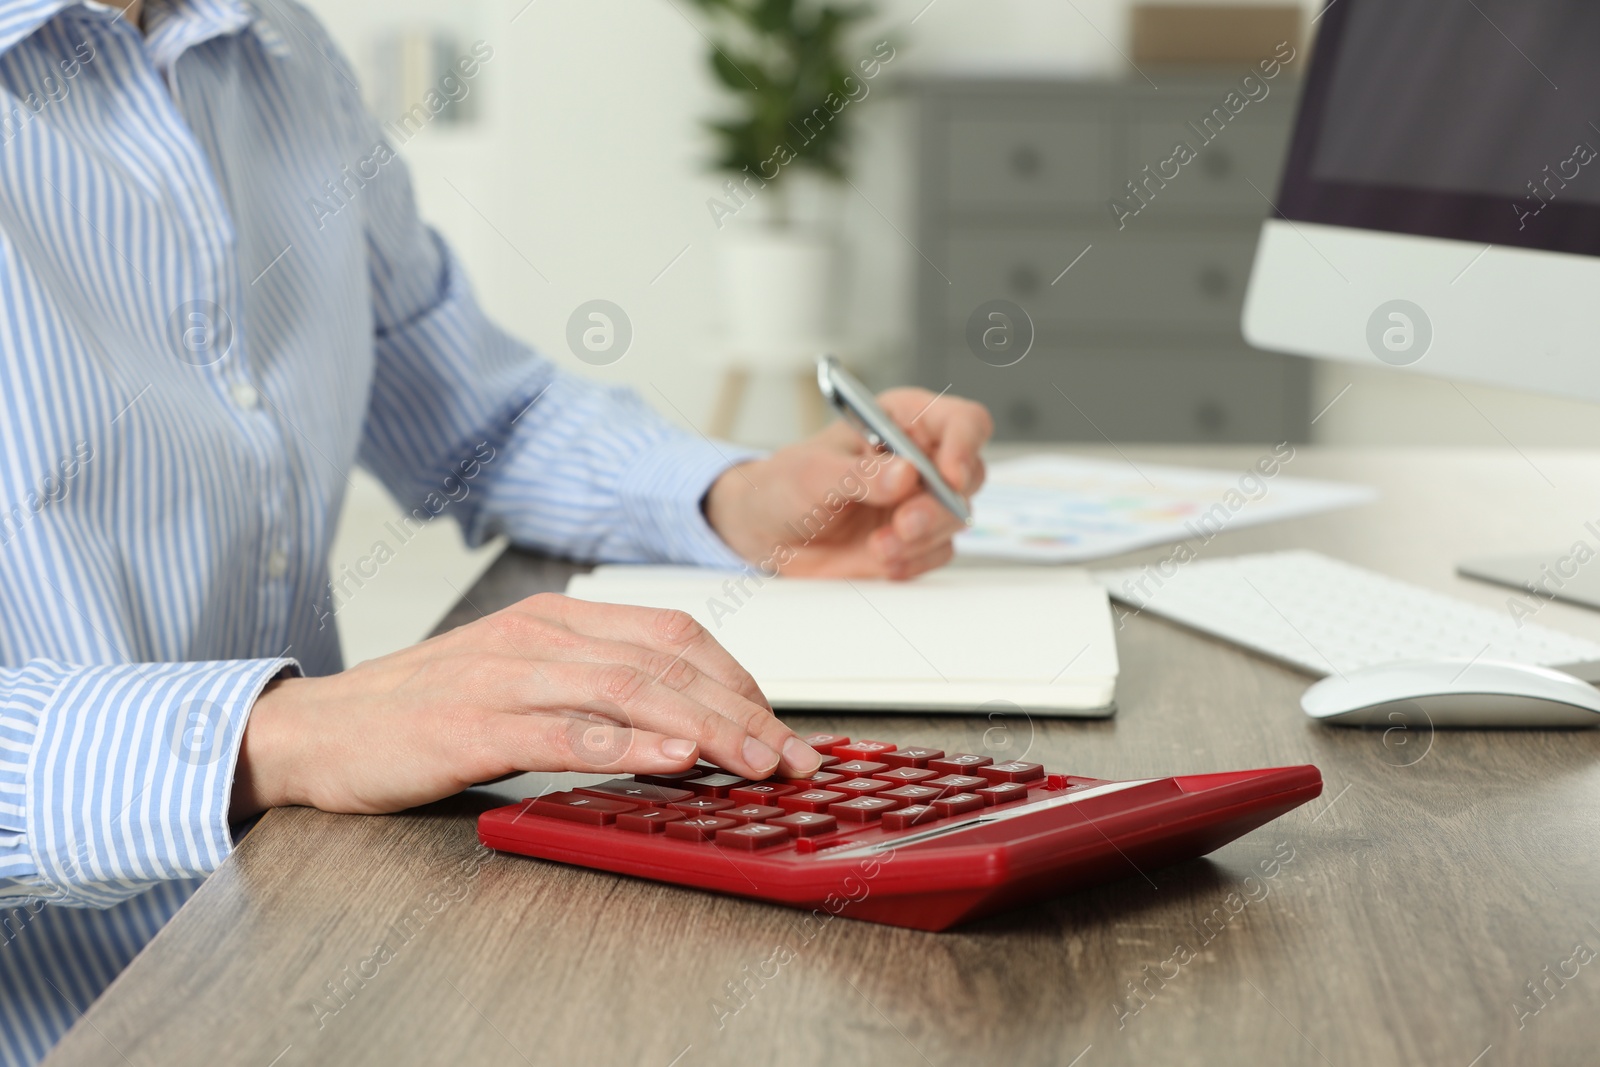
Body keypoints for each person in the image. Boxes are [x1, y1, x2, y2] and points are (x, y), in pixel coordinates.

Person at [0, 0, 992, 1060]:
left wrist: (732, 498)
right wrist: (273, 733)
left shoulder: (277, 47)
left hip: (307, 939)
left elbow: (472, 408)